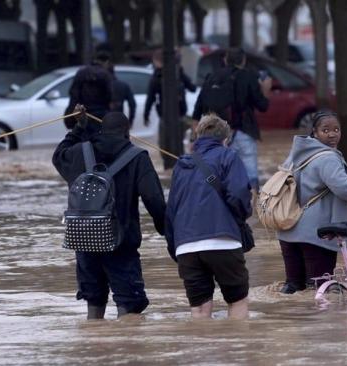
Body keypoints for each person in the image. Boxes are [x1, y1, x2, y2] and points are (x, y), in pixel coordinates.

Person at [52, 112, 166, 319]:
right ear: (127, 132)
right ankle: (124, 347)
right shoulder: (137, 157)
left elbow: (58, 155)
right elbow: (154, 199)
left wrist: (78, 129)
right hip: (121, 243)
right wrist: (166, 229)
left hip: (85, 241)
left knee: (94, 300)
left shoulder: (79, 152)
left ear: (101, 129)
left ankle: (95, 345)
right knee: (129, 303)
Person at [276, 111, 347, 294]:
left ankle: (290, 321)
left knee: (294, 290)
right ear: (315, 133)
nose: (332, 134)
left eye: (336, 129)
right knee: (321, 290)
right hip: (316, 235)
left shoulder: (296, 154)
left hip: (288, 231)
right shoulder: (327, 157)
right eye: (325, 130)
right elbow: (346, 188)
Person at [165, 114, 252, 319]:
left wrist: (175, 248)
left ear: (197, 137)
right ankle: (240, 350)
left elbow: (171, 210)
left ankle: (201, 348)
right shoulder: (228, 156)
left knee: (200, 310)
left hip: (186, 247)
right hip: (223, 242)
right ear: (226, 139)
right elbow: (239, 196)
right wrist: (241, 218)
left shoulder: (181, 164)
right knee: (237, 301)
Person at [192, 47, 271, 193]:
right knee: (250, 172)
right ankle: (252, 208)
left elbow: (198, 110)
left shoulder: (211, 77)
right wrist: (266, 89)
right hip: (243, 130)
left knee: (220, 171)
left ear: (225, 60)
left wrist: (195, 139)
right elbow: (262, 106)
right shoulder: (248, 76)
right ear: (244, 60)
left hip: (215, 134)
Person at [143, 49, 196, 168]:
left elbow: (150, 97)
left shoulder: (160, 76)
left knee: (167, 143)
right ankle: (176, 165)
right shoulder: (169, 74)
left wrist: (146, 115)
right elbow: (192, 87)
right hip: (177, 114)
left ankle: (173, 165)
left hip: (169, 115)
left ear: (157, 61)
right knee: (176, 143)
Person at [63, 51, 113, 136]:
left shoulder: (81, 72)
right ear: (106, 62)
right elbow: (110, 95)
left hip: (83, 113)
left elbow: (74, 94)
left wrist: (71, 113)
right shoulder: (105, 74)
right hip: (100, 115)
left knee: (83, 140)